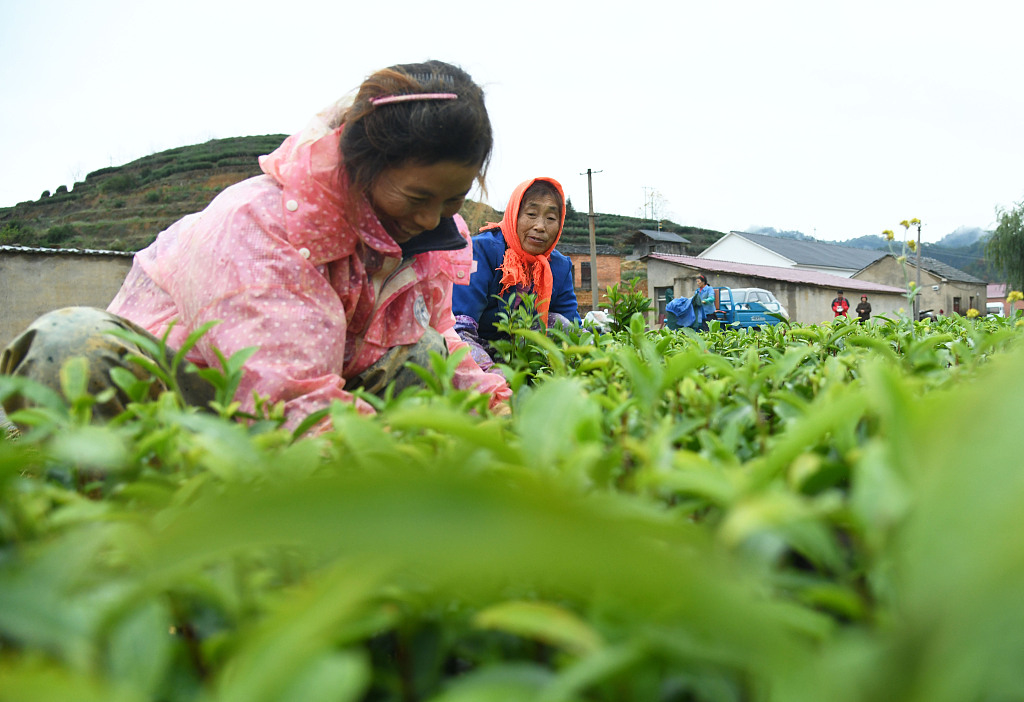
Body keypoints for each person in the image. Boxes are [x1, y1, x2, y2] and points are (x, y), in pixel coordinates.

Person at [1, 60, 511, 432]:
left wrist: (497, 415)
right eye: (417, 196)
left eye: (453, 198)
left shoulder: (427, 241)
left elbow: (443, 339)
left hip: (304, 403)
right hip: (189, 400)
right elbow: (283, 388)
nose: (430, 217)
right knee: (67, 345)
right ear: (366, 164)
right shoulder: (265, 224)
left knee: (423, 354)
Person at [452, 177, 580, 373]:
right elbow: (459, 327)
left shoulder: (558, 267)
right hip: (476, 347)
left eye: (551, 218)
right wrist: (492, 376)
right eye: (531, 214)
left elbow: (572, 330)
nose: (540, 226)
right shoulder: (482, 250)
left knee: (560, 325)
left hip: (523, 357)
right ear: (514, 214)